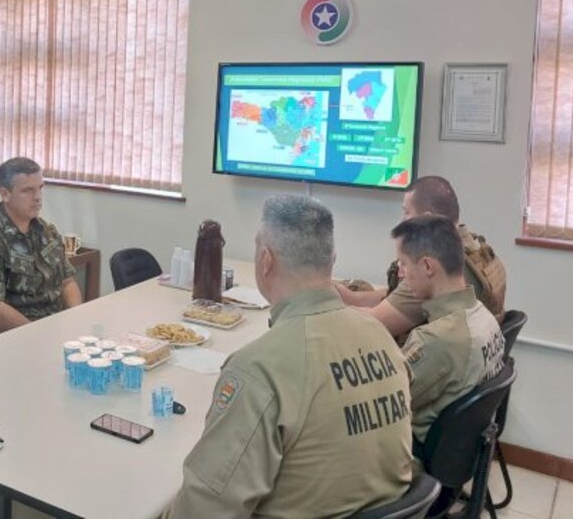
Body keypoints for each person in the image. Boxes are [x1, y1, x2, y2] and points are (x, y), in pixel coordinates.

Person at [163, 195, 412, 519]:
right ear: (332, 262)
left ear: (266, 261)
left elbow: (202, 512)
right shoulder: (380, 335)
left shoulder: (258, 369)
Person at [337, 175, 506, 337]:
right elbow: (395, 297)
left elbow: (375, 324)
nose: (403, 220)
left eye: (407, 212)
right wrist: (350, 297)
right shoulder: (476, 249)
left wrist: (325, 305)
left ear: (426, 218)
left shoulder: (434, 266)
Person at [391, 215, 505, 445]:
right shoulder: (483, 316)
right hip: (458, 451)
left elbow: (381, 403)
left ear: (427, 266)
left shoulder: (436, 340)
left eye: (403, 263)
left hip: (412, 455)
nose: (401, 273)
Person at [0, 157, 83, 341]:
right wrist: (38, 337)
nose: (38, 197)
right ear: (5, 194)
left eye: (40, 188)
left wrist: (77, 321)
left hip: (52, 333)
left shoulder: (47, 232)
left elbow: (67, 282)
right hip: (4, 341)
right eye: (28, 190)